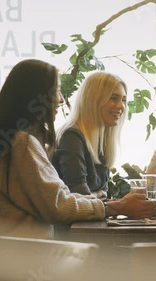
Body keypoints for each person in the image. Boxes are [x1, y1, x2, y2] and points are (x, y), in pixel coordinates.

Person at [0, 60, 154, 239]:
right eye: (56, 91)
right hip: (18, 257)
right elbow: (60, 206)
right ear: (35, 97)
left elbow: (61, 198)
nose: (61, 99)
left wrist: (110, 204)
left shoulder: (12, 140)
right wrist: (114, 207)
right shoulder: (21, 144)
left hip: (15, 252)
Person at [53, 71, 127, 200]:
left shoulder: (101, 141)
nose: (121, 106)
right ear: (94, 100)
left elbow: (102, 194)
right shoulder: (71, 136)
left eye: (124, 100)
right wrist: (97, 195)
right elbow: (79, 196)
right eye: (113, 98)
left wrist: (96, 195)